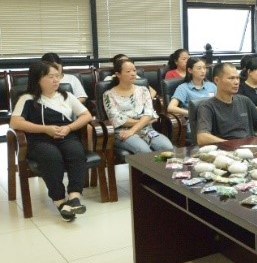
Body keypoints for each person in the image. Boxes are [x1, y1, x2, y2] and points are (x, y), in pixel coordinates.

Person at [11, 61, 93, 222]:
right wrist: (45, 129)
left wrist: (69, 127)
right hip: (39, 139)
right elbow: (15, 122)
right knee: (52, 157)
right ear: (37, 79)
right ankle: (60, 202)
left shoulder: (66, 96)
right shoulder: (27, 98)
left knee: (76, 152)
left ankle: (74, 198)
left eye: (57, 76)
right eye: (50, 77)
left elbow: (86, 115)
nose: (56, 80)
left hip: (66, 135)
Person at [103, 59, 174, 154]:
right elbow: (116, 119)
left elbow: (149, 113)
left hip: (147, 130)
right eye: (128, 71)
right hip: (123, 132)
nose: (133, 74)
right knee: (144, 151)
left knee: (167, 147)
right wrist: (144, 122)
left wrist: (133, 129)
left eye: (134, 70)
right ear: (118, 74)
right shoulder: (109, 95)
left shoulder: (143, 90)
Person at [197, 63, 257, 144]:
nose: (236, 82)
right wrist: (230, 144)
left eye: (237, 78)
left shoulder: (244, 100)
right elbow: (202, 137)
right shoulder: (207, 106)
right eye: (231, 78)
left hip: (248, 146)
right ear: (217, 80)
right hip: (225, 148)